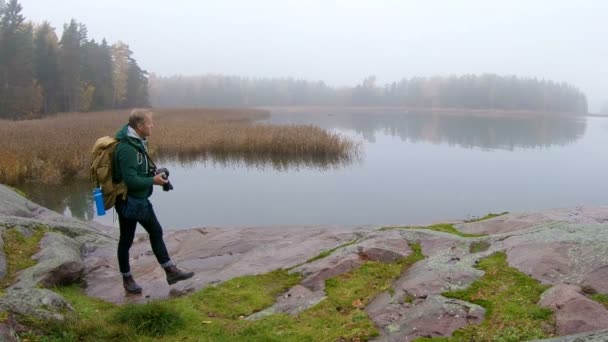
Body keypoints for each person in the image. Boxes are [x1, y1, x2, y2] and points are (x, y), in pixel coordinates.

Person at [112, 108, 194, 294]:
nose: (152, 125)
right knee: (126, 240)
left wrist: (155, 174)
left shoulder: (138, 141)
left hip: (141, 200)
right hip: (128, 203)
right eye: (150, 123)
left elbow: (139, 171)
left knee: (156, 231)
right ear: (140, 126)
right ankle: (127, 278)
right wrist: (153, 181)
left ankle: (170, 271)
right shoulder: (126, 148)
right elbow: (130, 180)